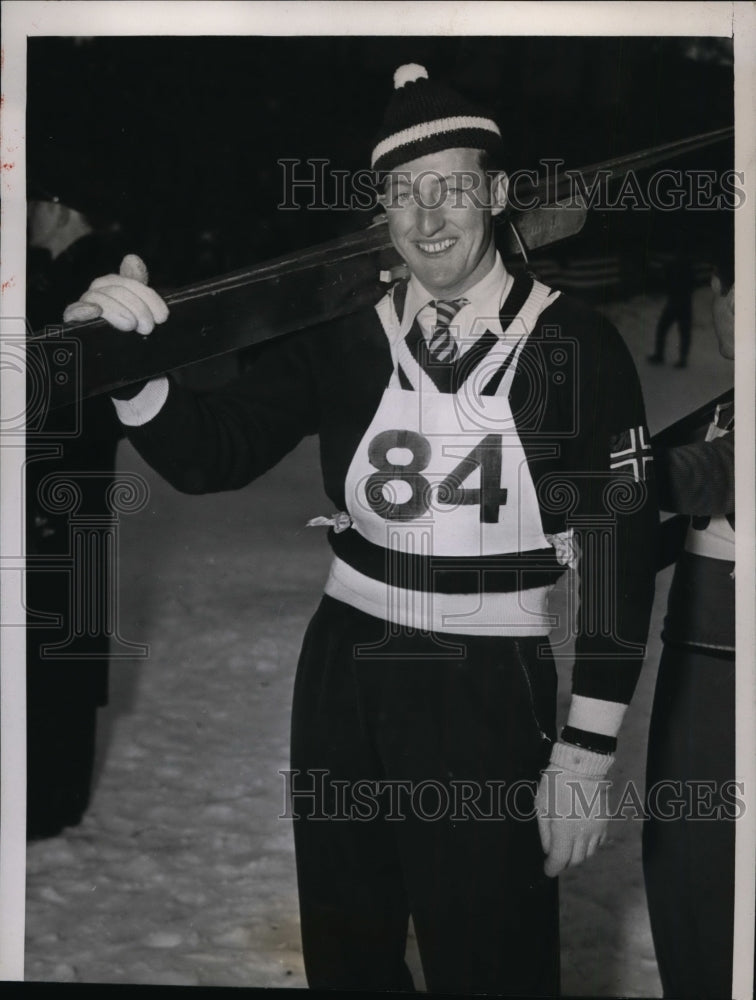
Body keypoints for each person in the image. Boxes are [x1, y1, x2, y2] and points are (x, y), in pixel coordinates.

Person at [63, 65, 658, 995]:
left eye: (452, 187)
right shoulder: (345, 331)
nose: (427, 219)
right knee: (348, 953)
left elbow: (621, 551)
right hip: (345, 664)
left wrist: (584, 752)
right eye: (402, 194)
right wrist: (134, 371)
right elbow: (214, 453)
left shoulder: (572, 343)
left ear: (499, 193)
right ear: (380, 208)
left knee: (490, 960)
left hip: (489, 683)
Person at [643, 262, 736, 999]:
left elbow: (704, 474)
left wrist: (590, 473)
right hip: (697, 670)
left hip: (736, 679)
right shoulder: (730, 404)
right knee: (683, 873)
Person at [26, 182, 125, 839]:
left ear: (59, 209)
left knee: (56, 644)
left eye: (34, 204)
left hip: (60, 488)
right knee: (64, 641)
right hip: (67, 492)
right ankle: (52, 797)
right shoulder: (64, 272)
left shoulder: (89, 279)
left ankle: (51, 803)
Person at [647, 247, 695, 368]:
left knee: (665, 328)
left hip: (676, 302)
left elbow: (664, 278)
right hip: (683, 302)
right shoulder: (685, 266)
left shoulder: (675, 265)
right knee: (682, 331)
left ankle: (662, 355)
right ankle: (679, 359)